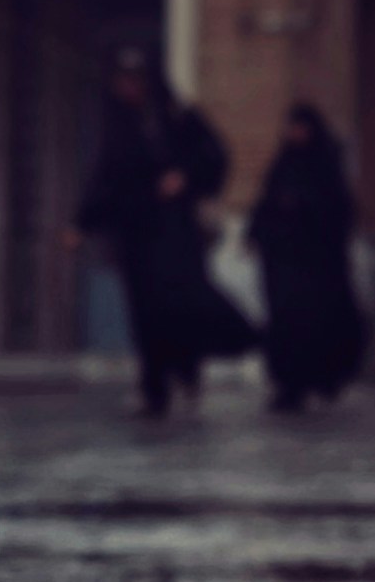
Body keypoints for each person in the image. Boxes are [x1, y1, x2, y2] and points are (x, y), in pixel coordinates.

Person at [74, 48, 256, 415]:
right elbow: (105, 176)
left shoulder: (176, 117)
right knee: (146, 313)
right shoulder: (119, 126)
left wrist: (184, 178)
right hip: (137, 235)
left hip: (175, 235)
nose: (128, 88)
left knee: (183, 303)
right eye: (122, 81)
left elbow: (213, 155)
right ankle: (155, 388)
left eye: (135, 80)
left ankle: (188, 367)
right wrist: (83, 221)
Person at [249, 104, 370, 411]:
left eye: (301, 127)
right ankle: (289, 384)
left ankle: (321, 378)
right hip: (284, 265)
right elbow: (266, 204)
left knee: (318, 325)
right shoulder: (284, 165)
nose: (295, 134)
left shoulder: (326, 167)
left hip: (317, 269)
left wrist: (304, 208)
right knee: (286, 324)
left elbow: (337, 212)